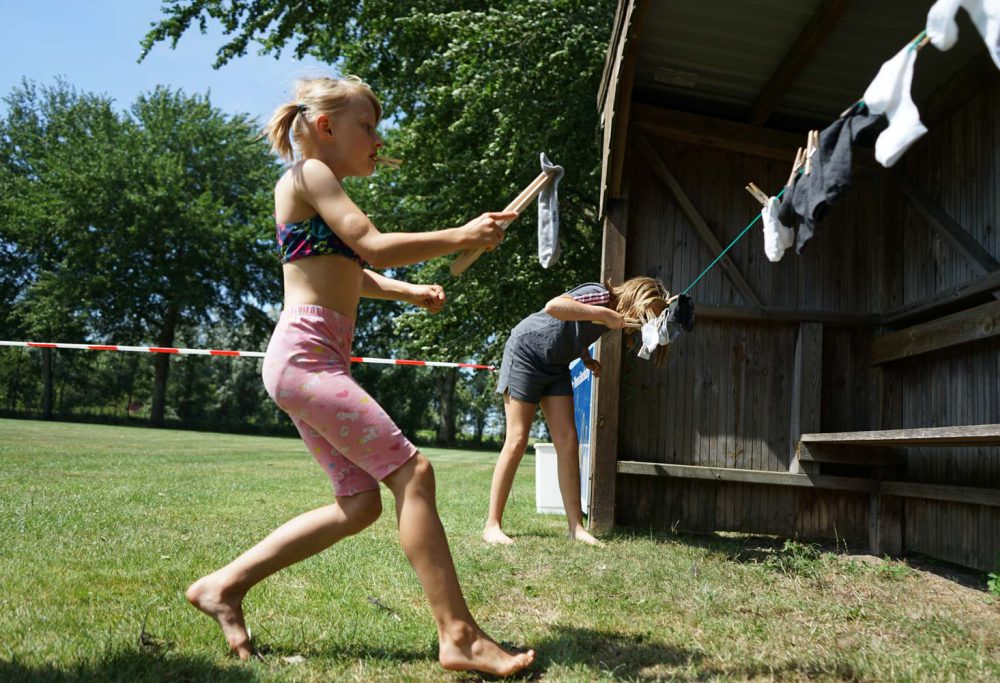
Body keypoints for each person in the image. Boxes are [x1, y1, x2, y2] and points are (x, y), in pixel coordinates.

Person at [184, 76, 534, 677]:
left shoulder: (317, 188)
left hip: (306, 361)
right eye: (367, 127)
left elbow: (351, 270)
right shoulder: (310, 174)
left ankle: (223, 586)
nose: (377, 141)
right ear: (326, 127)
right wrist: (461, 235)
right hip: (306, 359)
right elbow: (371, 245)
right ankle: (459, 636)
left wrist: (409, 291)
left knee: (359, 504)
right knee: (414, 473)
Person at [483, 277, 669, 546]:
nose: (642, 322)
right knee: (517, 439)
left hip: (556, 365)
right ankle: (492, 525)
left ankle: (576, 527)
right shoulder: (599, 295)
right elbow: (555, 307)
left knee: (568, 441)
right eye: (645, 314)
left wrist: (586, 358)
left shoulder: (609, 319)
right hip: (526, 353)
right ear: (636, 297)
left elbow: (572, 329)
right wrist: (605, 315)